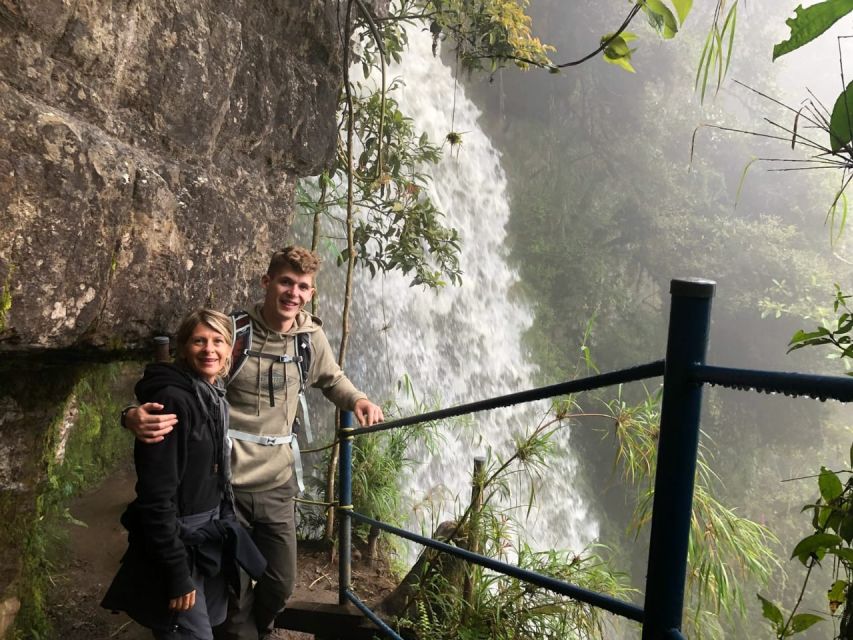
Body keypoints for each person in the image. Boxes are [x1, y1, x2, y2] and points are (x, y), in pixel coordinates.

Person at [124, 246, 384, 640]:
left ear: (311, 293)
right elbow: (175, 378)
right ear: (267, 282)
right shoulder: (233, 333)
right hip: (226, 482)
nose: (292, 293)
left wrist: (359, 400)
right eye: (285, 282)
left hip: (278, 479)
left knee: (281, 580)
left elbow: (331, 379)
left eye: (302, 286)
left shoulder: (309, 338)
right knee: (237, 585)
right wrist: (131, 412)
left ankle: (261, 626)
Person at [103, 309, 265, 640]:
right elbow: (155, 498)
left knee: (211, 622)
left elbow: (216, 476)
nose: (209, 349)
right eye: (198, 341)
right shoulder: (173, 401)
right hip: (180, 540)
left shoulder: (214, 394)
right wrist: (177, 571)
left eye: (218, 341)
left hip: (210, 532)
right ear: (182, 347)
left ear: (230, 349)